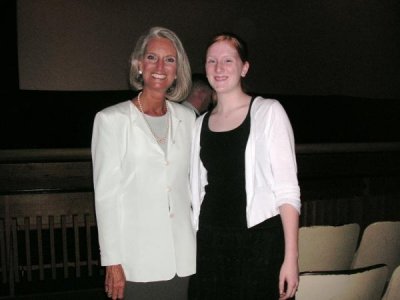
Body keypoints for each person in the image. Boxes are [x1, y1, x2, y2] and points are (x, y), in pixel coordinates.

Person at [189, 32, 301, 300]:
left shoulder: (269, 112)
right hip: (212, 241)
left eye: (228, 60)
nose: (219, 68)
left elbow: (287, 191)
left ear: (244, 67)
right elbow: (198, 190)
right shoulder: (198, 125)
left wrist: (291, 258)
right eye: (211, 61)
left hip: (260, 242)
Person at [91, 27, 196, 300]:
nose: (160, 66)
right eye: (152, 57)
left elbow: (195, 184)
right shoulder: (111, 120)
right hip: (136, 261)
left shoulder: (189, 119)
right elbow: (106, 198)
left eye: (170, 59)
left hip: (183, 257)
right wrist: (112, 261)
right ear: (139, 65)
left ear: (177, 70)